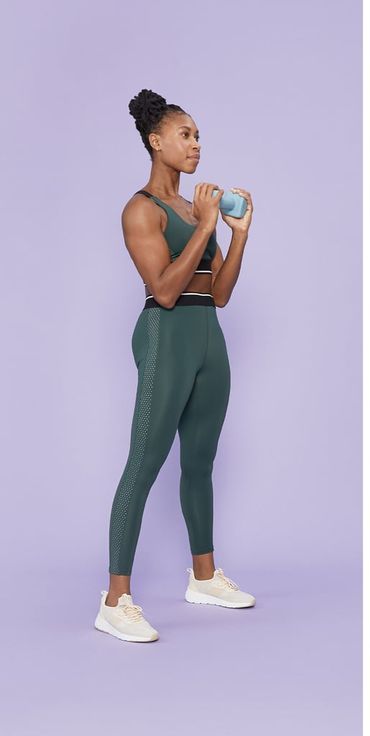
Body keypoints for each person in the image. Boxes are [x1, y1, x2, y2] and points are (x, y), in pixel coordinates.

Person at [94, 89, 255, 643]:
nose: (196, 145)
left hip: (208, 335)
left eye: (198, 136)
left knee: (201, 463)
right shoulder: (141, 208)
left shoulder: (194, 209)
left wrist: (238, 237)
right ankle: (115, 599)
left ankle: (204, 577)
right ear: (154, 141)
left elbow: (221, 295)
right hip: (167, 336)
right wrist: (207, 227)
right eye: (185, 135)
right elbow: (163, 291)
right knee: (143, 465)